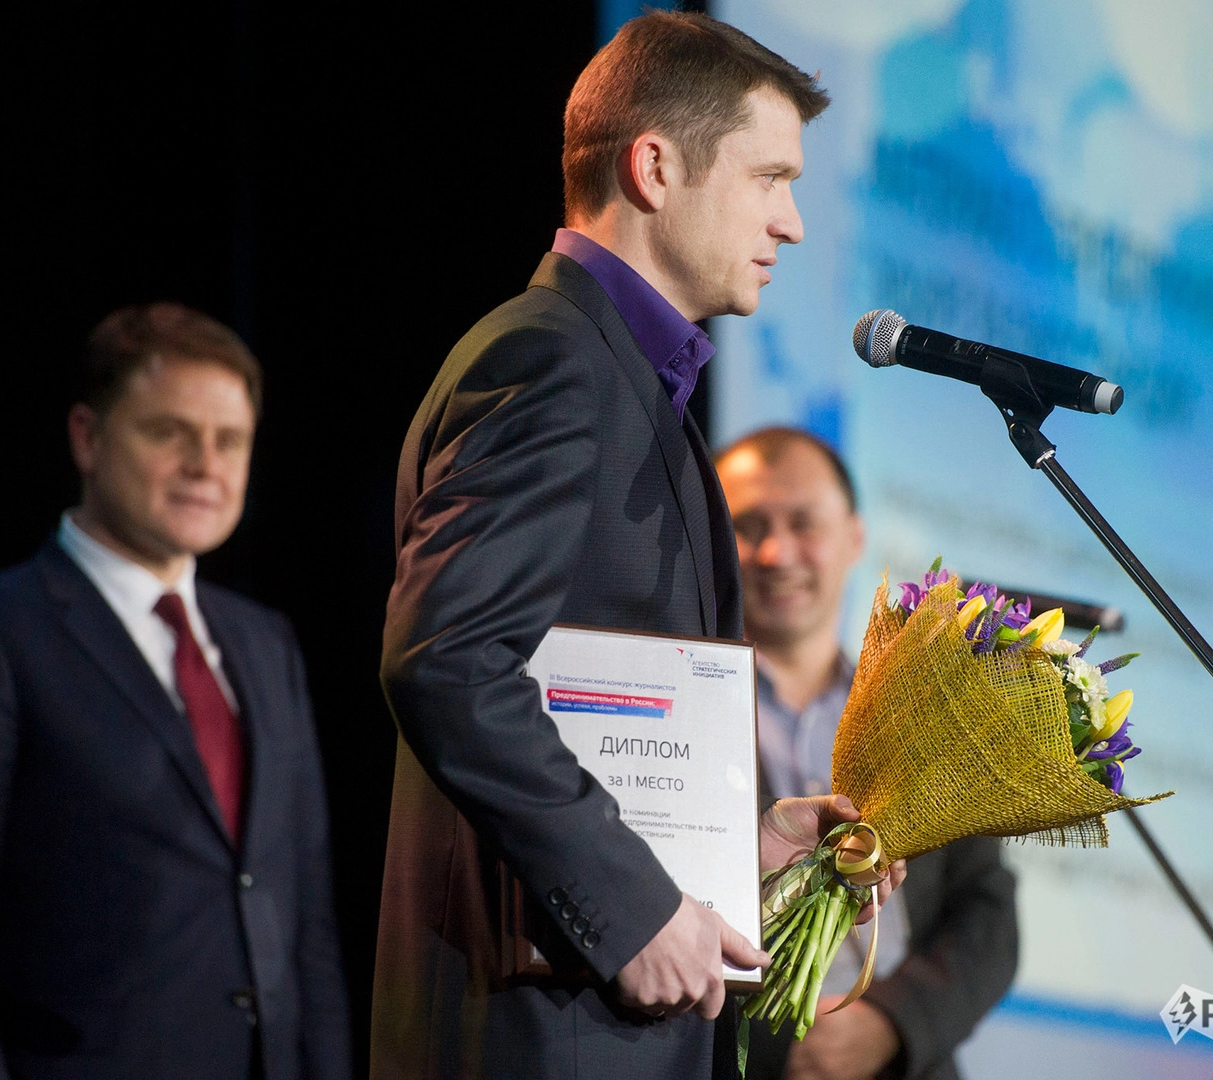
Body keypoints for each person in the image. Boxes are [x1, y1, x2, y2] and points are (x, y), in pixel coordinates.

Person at [369, 12, 902, 1080]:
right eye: (769, 178)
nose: (793, 223)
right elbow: (448, 659)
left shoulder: (616, 378)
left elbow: (567, 691)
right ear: (655, 168)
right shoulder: (551, 363)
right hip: (539, 1040)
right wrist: (633, 904)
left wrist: (727, 847)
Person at [0, 303, 351, 1080]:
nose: (206, 464)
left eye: (230, 440)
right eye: (170, 432)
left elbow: (308, 929)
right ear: (87, 437)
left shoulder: (268, 645)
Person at [716, 427, 1019, 1080]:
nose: (776, 553)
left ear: (854, 537)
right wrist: (781, 1048)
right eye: (747, 526)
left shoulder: (925, 716)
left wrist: (889, 1023)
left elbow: (988, 916)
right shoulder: (684, 714)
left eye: (803, 523)